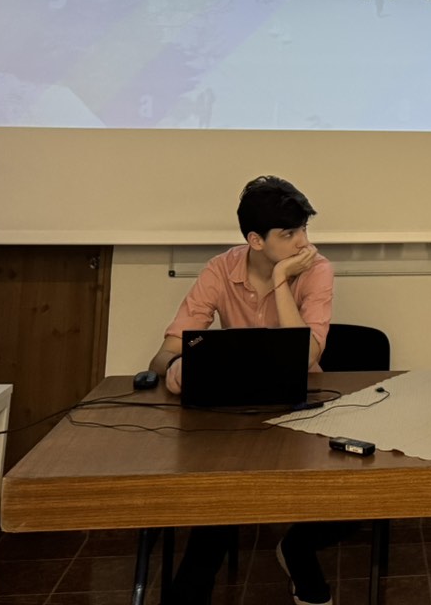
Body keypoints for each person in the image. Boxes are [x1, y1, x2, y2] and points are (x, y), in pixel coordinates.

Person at [148, 175, 335, 605]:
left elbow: (305, 357)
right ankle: (191, 591)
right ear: (255, 239)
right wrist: (177, 366)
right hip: (234, 408)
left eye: (304, 229)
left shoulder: (316, 269)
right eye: (289, 233)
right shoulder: (220, 269)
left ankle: (297, 548)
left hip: (301, 404)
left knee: (349, 492)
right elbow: (164, 354)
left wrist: (282, 278)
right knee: (222, 489)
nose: (304, 242)